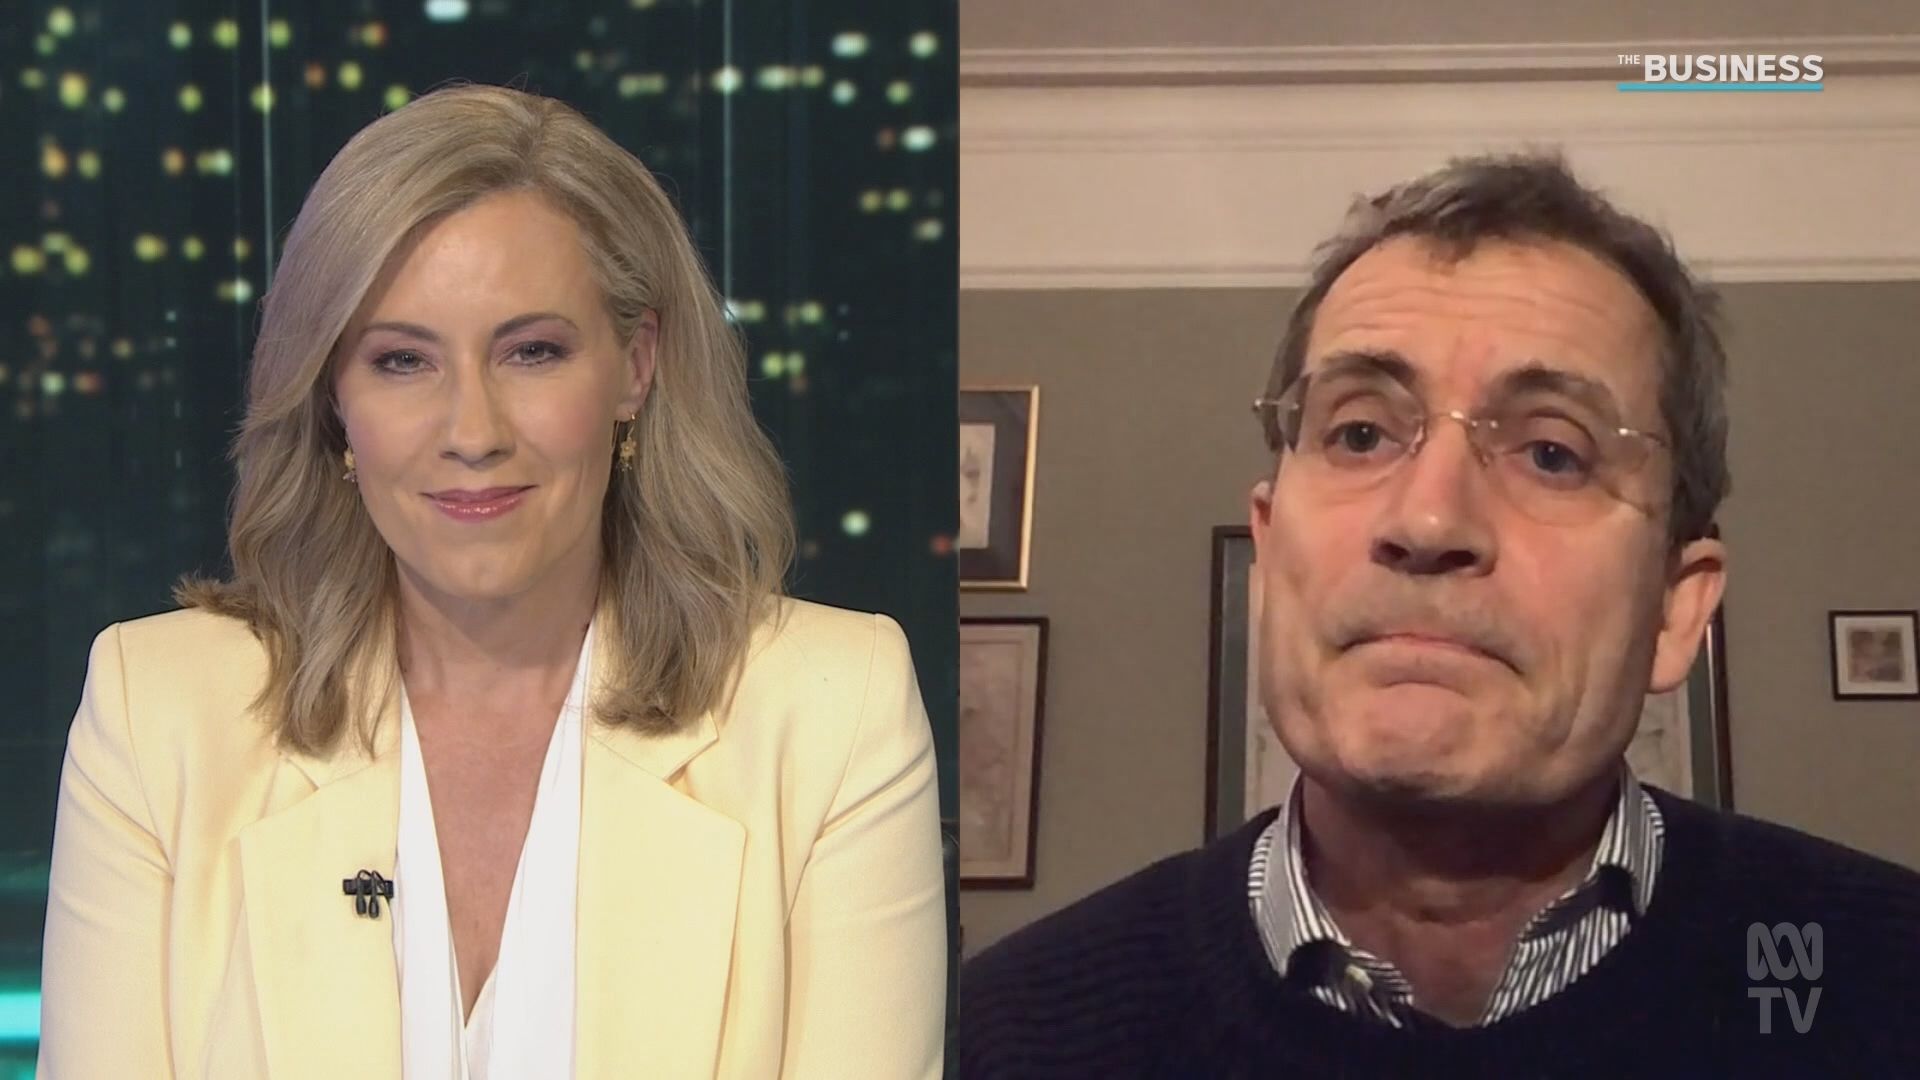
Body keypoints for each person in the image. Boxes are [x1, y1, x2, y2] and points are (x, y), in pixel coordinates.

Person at [40, 85, 946, 1078]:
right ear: (333, 397)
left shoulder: (833, 715)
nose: (472, 432)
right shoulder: (157, 713)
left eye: (532, 352)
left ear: (635, 366)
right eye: (402, 361)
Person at [960, 151, 1920, 1076]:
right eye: (1360, 432)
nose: (1427, 521)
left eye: (1552, 453)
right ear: (1269, 555)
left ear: (1677, 606)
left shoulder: (1889, 991)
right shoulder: (998, 1040)